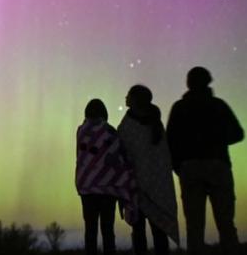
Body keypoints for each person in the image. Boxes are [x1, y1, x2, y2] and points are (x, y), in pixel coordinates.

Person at [166, 67, 244, 255]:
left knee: (194, 225)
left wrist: (179, 166)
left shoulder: (180, 107)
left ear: (188, 83)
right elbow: (238, 134)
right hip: (217, 166)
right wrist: (217, 141)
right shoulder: (219, 106)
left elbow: (170, 141)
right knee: (225, 222)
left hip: (191, 169)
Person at [118, 85, 179, 255]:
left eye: (129, 94)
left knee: (141, 232)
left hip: (137, 187)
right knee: (156, 231)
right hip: (155, 187)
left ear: (135, 99)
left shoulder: (130, 125)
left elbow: (122, 156)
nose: (126, 97)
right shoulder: (155, 122)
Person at [76, 99, 137, 255]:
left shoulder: (81, 131)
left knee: (90, 230)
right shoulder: (110, 131)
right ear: (105, 113)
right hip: (108, 188)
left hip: (87, 187)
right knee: (108, 230)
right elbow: (120, 157)